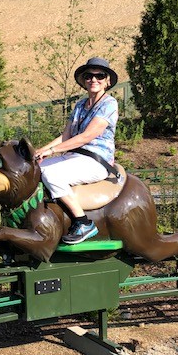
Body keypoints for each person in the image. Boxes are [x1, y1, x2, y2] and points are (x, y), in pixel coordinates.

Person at [34, 57, 119, 244]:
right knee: (34, 169)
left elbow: (86, 137)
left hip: (96, 161)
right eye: (89, 76)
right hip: (75, 157)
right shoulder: (80, 105)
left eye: (100, 76)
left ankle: (83, 223)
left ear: (107, 81)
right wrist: (40, 151)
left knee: (51, 174)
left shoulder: (109, 104)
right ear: (84, 80)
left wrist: (53, 151)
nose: (93, 79)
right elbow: (67, 136)